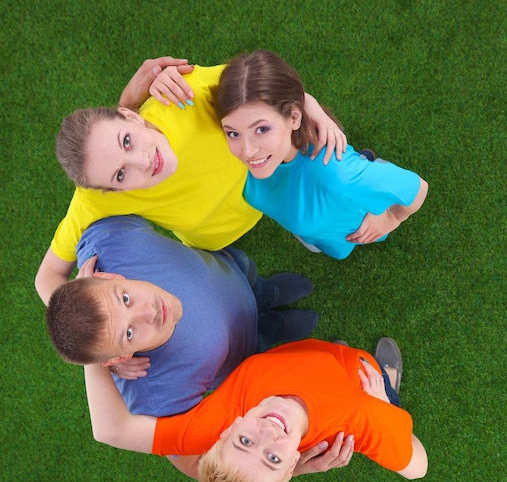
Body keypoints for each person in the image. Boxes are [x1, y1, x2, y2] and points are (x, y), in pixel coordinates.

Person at [35, 56, 347, 305]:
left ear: (130, 116)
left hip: (269, 178)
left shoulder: (186, 93)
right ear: (112, 190)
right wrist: (98, 323)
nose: (143, 161)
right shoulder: (97, 197)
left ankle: (301, 220)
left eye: (127, 141)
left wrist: (310, 106)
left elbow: (264, 87)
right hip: (218, 237)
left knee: (306, 200)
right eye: (120, 174)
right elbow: (46, 277)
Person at [82, 337, 427, 482]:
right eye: (273, 459)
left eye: (245, 441)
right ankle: (390, 383)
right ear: (294, 463)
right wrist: (383, 408)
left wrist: (91, 348)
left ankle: (335, 353)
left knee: (330, 354)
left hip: (314, 357)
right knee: (378, 380)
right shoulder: (362, 418)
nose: (268, 435)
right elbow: (418, 468)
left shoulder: (216, 420)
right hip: (362, 382)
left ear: (228, 430)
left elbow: (109, 430)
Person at [46, 215, 318, 415]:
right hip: (245, 350)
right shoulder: (156, 395)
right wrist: (107, 363)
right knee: (267, 337)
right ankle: (277, 326)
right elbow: (197, 459)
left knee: (255, 281)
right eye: (128, 333)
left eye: (125, 298)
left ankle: (268, 293)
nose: (148, 312)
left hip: (231, 272)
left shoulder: (108, 241)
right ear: (121, 356)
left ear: (106, 275)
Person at [215, 50, 429, 260]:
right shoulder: (259, 159)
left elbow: (418, 188)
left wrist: (392, 217)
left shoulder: (337, 176)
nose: (248, 151)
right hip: (313, 230)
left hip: (345, 215)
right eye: (233, 133)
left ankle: (368, 162)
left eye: (261, 129)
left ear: (294, 118)